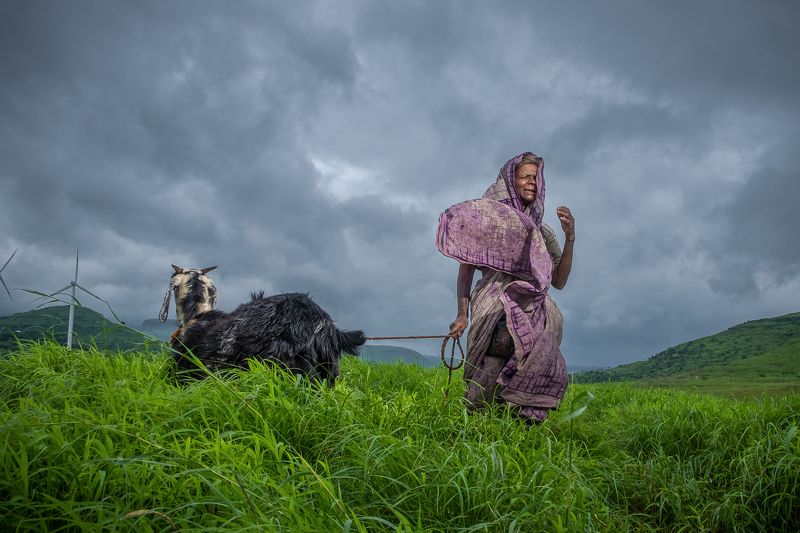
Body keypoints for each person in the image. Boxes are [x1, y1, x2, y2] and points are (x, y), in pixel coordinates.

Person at [435, 152, 575, 422]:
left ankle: (524, 420)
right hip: (492, 304)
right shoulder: (488, 225)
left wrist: (570, 238)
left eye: (536, 178)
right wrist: (462, 314)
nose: (532, 182)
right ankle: (474, 429)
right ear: (511, 182)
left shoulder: (541, 232)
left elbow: (558, 281)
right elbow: (466, 270)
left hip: (532, 304)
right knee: (489, 370)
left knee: (542, 342)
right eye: (525, 177)